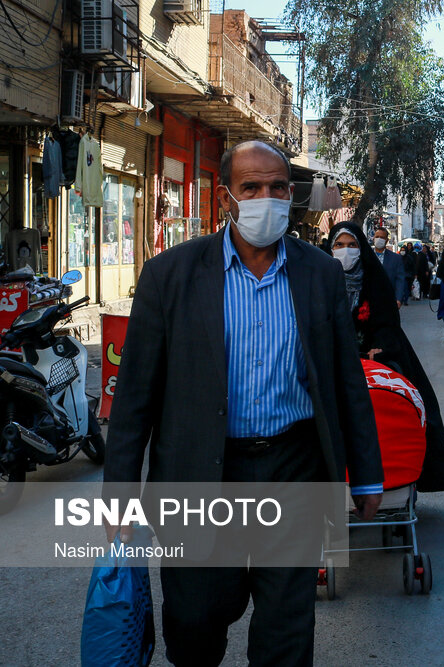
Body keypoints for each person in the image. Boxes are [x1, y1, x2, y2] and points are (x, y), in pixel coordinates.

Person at [103, 140, 384, 665]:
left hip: (295, 469)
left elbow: (346, 380)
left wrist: (366, 475)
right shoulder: (170, 276)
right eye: (251, 187)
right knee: (194, 623)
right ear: (226, 196)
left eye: (278, 187)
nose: (266, 198)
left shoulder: (319, 273)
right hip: (201, 473)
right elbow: (134, 397)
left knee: (287, 630)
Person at [328, 221, 444, 492]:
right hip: (332, 358)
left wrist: (380, 344)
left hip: (376, 354)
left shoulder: (374, 277)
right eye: (339, 246)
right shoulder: (321, 279)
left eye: (352, 245)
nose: (345, 251)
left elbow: (387, 318)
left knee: (411, 404)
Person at [372, 227, 406, 308]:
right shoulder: (366, 256)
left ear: (386, 240)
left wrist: (398, 299)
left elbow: (400, 280)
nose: (379, 239)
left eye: (382, 237)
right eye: (377, 237)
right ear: (373, 238)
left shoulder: (395, 258)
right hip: (369, 300)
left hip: (388, 300)